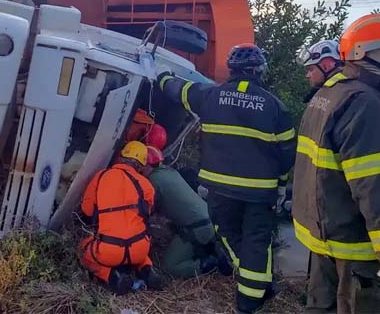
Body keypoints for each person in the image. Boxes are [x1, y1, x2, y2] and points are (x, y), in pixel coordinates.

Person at [156, 43, 297, 314]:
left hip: (220, 190)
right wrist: (281, 184)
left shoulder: (210, 95)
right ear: (259, 71)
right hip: (260, 193)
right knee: (257, 241)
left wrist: (161, 75)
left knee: (228, 235)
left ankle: (254, 289)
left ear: (231, 69)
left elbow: (178, 90)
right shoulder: (275, 107)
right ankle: (251, 299)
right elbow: (287, 153)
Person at [293, 14, 380, 314]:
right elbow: (375, 186)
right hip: (356, 251)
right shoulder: (365, 102)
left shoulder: (329, 94)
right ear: (368, 52)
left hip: (324, 239)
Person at [79, 141, 165, 295]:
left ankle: (113, 277)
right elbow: (146, 215)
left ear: (120, 156)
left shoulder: (101, 176)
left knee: (83, 249)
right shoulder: (146, 185)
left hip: (108, 251)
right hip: (138, 249)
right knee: (138, 244)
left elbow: (87, 210)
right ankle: (147, 269)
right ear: (141, 166)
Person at [143, 146, 231, 278]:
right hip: (209, 219)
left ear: (146, 165)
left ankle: (209, 264)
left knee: (169, 267)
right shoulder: (170, 172)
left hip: (197, 228)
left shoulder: (153, 182)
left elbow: (146, 212)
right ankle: (210, 248)